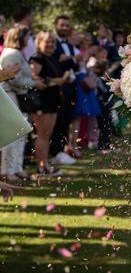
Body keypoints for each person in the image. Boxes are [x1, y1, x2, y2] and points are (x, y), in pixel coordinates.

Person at [29, 31, 70, 176]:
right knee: (41, 135)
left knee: (47, 135)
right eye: (47, 41)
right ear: (39, 43)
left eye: (52, 42)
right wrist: (56, 81)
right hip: (41, 101)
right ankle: (41, 168)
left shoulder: (52, 57)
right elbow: (33, 79)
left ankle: (45, 165)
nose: (50, 44)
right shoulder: (37, 58)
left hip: (53, 100)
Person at [0, 26, 34, 181]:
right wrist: (33, 84)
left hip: (16, 95)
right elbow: (14, 79)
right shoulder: (11, 53)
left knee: (20, 134)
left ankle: (16, 167)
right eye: (27, 36)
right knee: (13, 134)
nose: (29, 39)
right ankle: (7, 170)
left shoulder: (16, 53)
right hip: (10, 95)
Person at [50, 15, 79, 166]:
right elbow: (56, 62)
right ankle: (55, 153)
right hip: (58, 87)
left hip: (69, 87)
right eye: (62, 25)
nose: (65, 28)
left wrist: (71, 60)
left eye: (67, 25)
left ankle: (61, 150)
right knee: (58, 121)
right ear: (55, 25)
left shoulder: (67, 43)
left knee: (65, 120)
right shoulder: (51, 42)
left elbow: (73, 65)